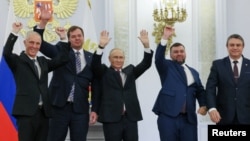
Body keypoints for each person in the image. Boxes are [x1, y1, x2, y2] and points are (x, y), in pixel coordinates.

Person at [33, 5, 100, 141]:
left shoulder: (92, 58)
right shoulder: (60, 51)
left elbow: (96, 85)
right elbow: (41, 44)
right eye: (73, 36)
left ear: (83, 37)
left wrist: (95, 109)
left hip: (80, 110)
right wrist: (43, 22)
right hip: (58, 108)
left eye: (79, 36)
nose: (77, 38)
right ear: (68, 39)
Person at [3, 22, 69, 141]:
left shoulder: (43, 62)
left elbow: (63, 59)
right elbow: (7, 53)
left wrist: (64, 38)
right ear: (25, 43)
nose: (34, 46)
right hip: (26, 113)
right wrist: (14, 32)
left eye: (38, 43)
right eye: (31, 42)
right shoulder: (17, 61)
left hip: (43, 113)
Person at [91, 29, 153, 141]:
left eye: (121, 57)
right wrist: (101, 47)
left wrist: (146, 46)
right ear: (110, 59)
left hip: (130, 118)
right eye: (115, 57)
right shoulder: (104, 72)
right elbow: (95, 64)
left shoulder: (130, 71)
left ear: (124, 59)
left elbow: (146, 64)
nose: (118, 60)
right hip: (111, 118)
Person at [152, 26, 207, 141]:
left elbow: (200, 91)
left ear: (185, 53)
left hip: (189, 119)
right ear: (171, 55)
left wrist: (203, 105)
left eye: (181, 51)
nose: (179, 54)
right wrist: (165, 37)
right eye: (175, 52)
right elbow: (158, 58)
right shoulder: (166, 67)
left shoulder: (194, 72)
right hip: (168, 117)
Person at [206, 34, 250, 125]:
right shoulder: (218, 65)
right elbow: (210, 89)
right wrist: (212, 108)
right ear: (227, 46)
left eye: (238, 45)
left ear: (243, 47)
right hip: (223, 116)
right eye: (232, 45)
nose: (235, 47)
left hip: (247, 116)